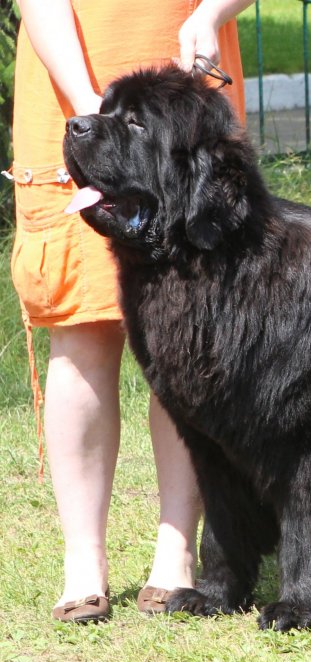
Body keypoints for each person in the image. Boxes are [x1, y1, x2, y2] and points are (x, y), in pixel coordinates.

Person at [10, 0, 254, 622]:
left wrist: (211, 17)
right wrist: (90, 102)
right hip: (71, 86)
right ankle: (82, 563)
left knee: (191, 338)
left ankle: (176, 554)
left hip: (180, 93)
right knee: (82, 331)